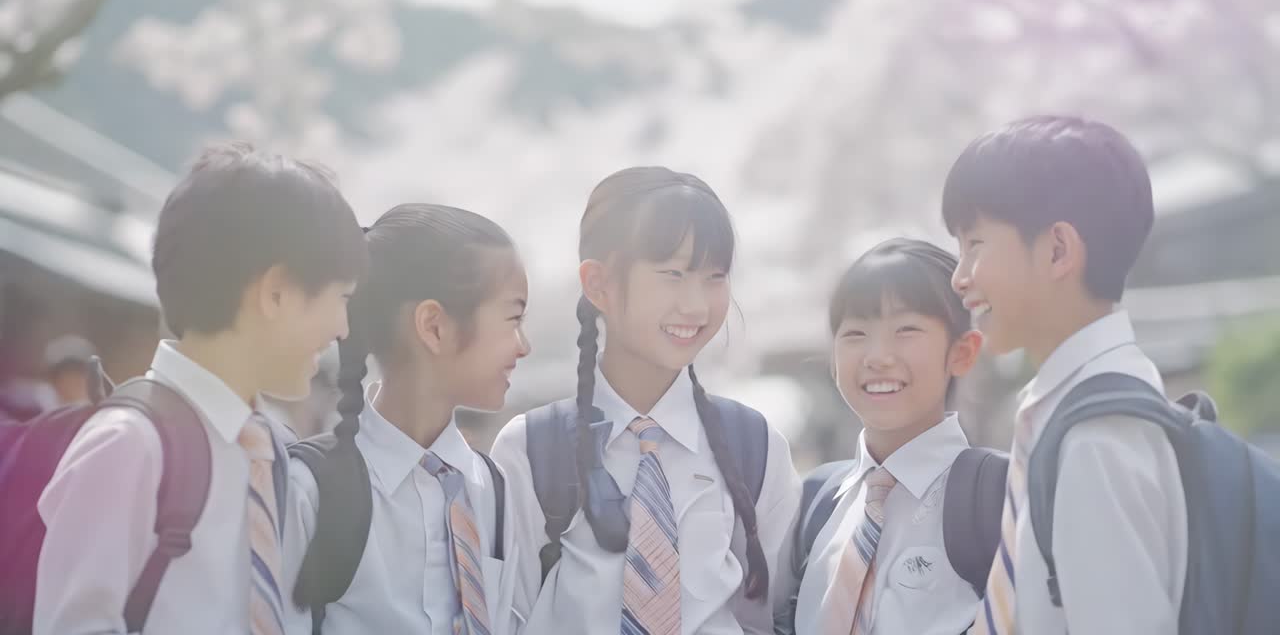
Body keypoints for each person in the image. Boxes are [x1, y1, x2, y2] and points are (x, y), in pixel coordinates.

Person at [34, 142, 366, 634]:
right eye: (341, 298)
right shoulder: (129, 446)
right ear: (275, 292)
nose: (343, 327)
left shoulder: (271, 448)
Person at [491, 166, 801, 634]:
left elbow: (776, 610)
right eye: (673, 274)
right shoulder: (533, 449)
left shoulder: (754, 445)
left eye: (714, 276)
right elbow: (502, 618)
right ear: (599, 285)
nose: (696, 306)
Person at [944, 115, 1185, 634]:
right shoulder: (1077, 404)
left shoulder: (1096, 437)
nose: (959, 277)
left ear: (1057, 250)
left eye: (975, 244)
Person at [281, 203, 531, 634]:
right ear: (434, 326)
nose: (523, 345)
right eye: (512, 318)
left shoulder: (492, 489)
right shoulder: (308, 490)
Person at [782, 238, 988, 634]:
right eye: (855, 334)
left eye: (906, 330)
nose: (877, 356)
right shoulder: (817, 501)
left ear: (962, 352)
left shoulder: (995, 497)